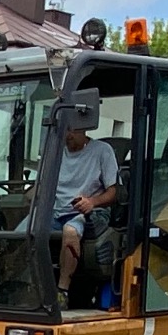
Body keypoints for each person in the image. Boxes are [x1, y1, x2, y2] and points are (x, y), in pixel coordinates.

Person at [52, 121, 118, 306]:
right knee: (21, 232)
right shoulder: (55, 152)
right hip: (55, 211)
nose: (67, 135)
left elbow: (113, 192)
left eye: (71, 128)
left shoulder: (102, 151)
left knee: (71, 231)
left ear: (85, 125)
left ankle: (62, 292)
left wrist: (91, 201)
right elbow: (40, 188)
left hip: (91, 213)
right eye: (64, 129)